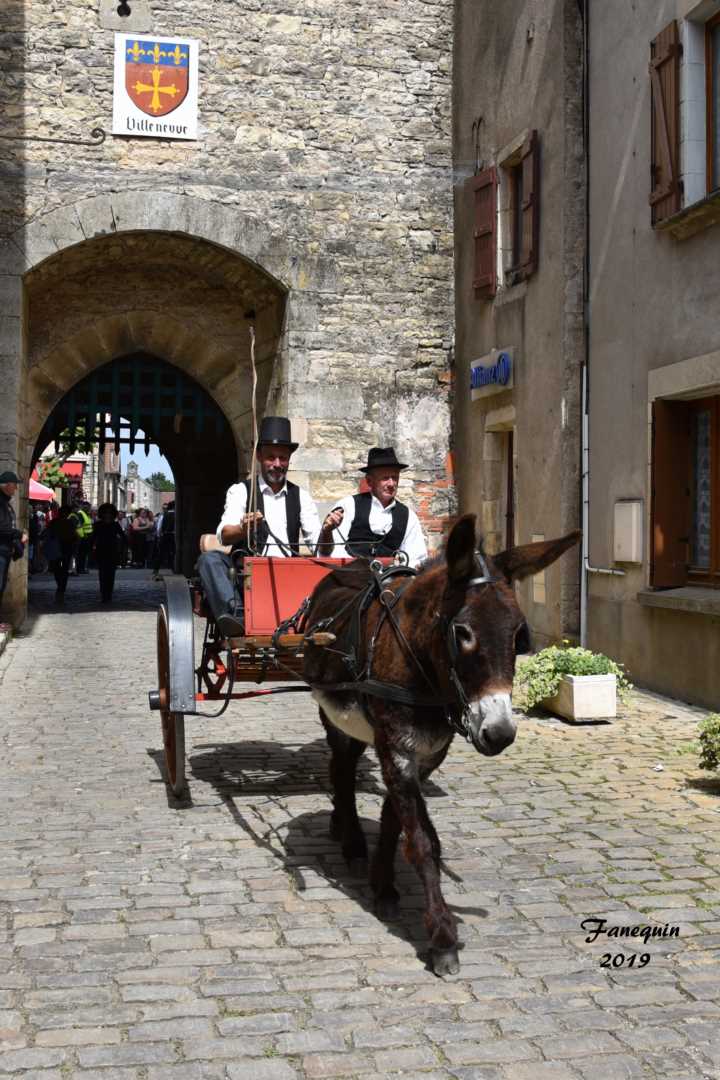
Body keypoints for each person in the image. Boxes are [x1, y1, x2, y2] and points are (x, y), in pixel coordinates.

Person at [198, 416, 341, 638]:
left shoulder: (301, 496)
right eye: (271, 457)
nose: (277, 464)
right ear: (258, 457)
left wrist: (327, 531)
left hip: (288, 579)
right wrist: (243, 528)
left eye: (282, 458)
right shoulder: (241, 491)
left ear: (289, 459)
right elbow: (225, 536)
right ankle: (236, 617)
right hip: (247, 581)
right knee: (209, 560)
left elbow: (320, 549)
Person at [327, 447, 428, 568]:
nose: (391, 484)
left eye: (395, 477)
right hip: (350, 579)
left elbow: (415, 558)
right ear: (370, 481)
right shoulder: (348, 506)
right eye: (385, 478)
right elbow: (334, 552)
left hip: (390, 582)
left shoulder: (408, 516)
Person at [0, 470, 27, 613]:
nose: (16, 488)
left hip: (4, 550)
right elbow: (2, 527)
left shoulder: (5, 502)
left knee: (2, 584)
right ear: (7, 485)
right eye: (14, 485)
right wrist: (20, 533)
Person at [42, 506, 77, 601]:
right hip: (61, 548)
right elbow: (74, 536)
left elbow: (74, 536)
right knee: (60, 569)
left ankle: (61, 588)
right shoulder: (59, 522)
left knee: (61, 569)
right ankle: (61, 587)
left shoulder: (66, 522)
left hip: (64, 548)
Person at [92, 503, 124, 603]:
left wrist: (122, 548)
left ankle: (109, 593)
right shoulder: (97, 524)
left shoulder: (115, 525)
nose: (107, 515)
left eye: (109, 513)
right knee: (102, 573)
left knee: (111, 574)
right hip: (101, 551)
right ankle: (103, 594)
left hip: (112, 551)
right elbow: (93, 538)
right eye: (106, 513)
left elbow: (123, 536)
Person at [152, 500, 176, 579]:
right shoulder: (177, 515)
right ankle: (173, 568)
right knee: (173, 552)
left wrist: (159, 535)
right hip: (173, 535)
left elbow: (159, 527)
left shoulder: (164, 515)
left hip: (165, 535)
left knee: (161, 553)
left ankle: (156, 569)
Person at [70, 500, 93, 574]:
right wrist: (83, 535)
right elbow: (80, 526)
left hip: (85, 536)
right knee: (81, 554)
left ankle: (82, 568)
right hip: (83, 537)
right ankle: (80, 568)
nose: (89, 508)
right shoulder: (81, 514)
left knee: (83, 554)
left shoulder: (86, 514)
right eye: (88, 507)